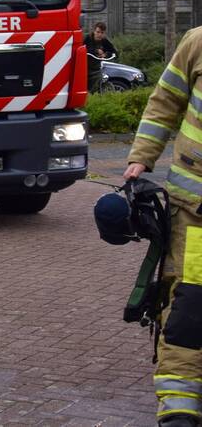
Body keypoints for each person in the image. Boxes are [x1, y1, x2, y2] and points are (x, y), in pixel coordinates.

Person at [125, 27, 202, 427]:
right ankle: (179, 409)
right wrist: (141, 157)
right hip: (195, 215)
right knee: (190, 307)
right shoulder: (198, 42)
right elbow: (164, 101)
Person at [85, 21, 117, 92]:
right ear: (94, 31)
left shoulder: (104, 41)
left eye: (102, 33)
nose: (99, 34)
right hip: (85, 66)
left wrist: (105, 54)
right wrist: (96, 51)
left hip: (96, 67)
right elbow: (82, 49)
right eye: (98, 32)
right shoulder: (87, 38)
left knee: (97, 82)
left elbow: (114, 51)